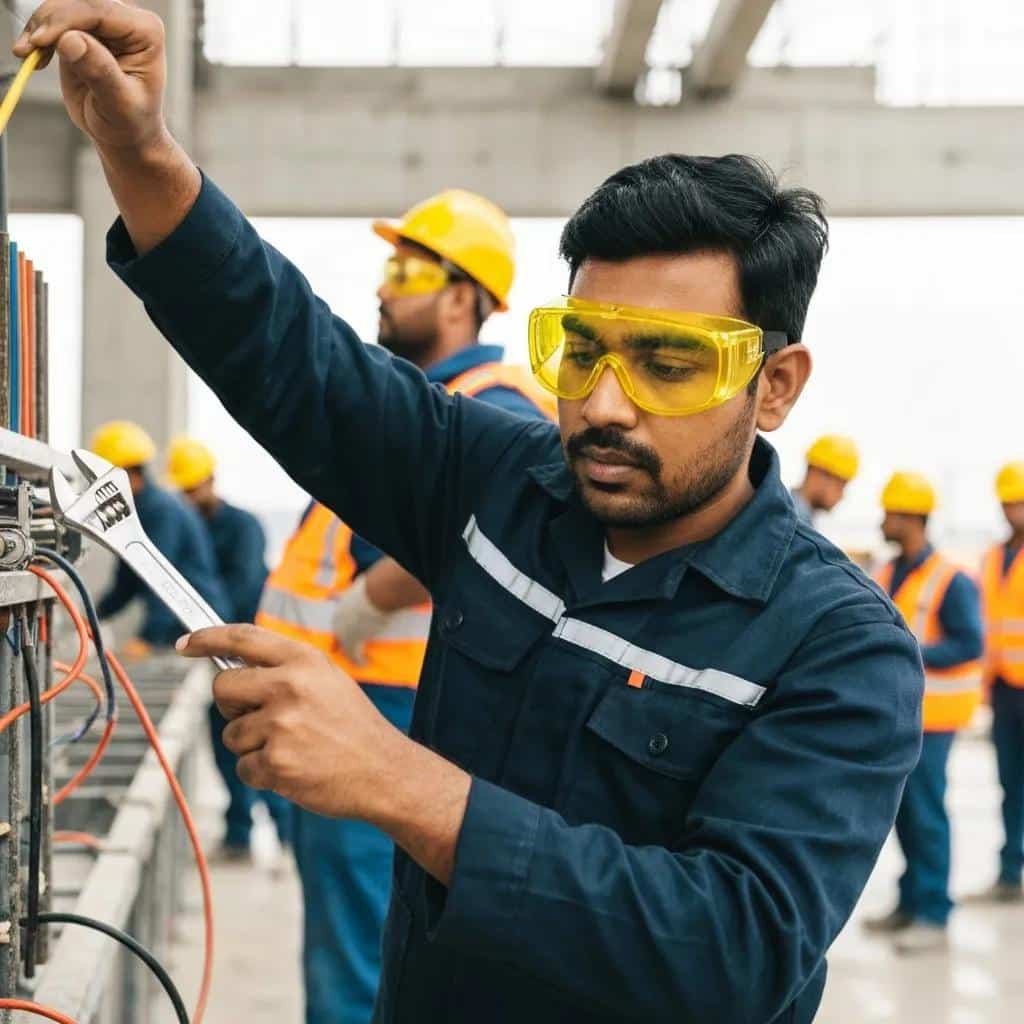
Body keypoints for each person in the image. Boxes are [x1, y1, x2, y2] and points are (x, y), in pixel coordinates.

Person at [22, 8, 924, 1020]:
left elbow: (735, 949)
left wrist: (398, 781)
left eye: (668, 363)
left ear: (775, 386)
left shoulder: (836, 647)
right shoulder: (500, 485)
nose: (605, 404)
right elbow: (295, 359)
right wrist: (140, 149)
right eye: (581, 350)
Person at [254, 194, 553, 1021]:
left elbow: (490, 516)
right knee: (351, 941)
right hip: (361, 697)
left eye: (406, 271)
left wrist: (364, 600)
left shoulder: (490, 405)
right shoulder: (428, 400)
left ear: (461, 297)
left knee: (357, 958)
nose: (384, 288)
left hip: (395, 706)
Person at [865, 472, 983, 952]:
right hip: (898, 716)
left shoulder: (951, 579)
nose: (883, 522)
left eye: (890, 514)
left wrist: (909, 649)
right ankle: (911, 901)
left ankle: (934, 913)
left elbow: (970, 643)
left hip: (934, 719)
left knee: (927, 814)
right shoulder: (886, 571)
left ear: (913, 519)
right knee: (904, 816)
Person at [166, 436, 292, 862]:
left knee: (263, 743)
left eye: (193, 488)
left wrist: (212, 628)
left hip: (249, 651)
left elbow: (241, 586)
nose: (189, 497)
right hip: (213, 652)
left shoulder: (243, 527)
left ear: (210, 481)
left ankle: (285, 834)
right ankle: (239, 834)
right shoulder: (190, 526)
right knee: (226, 745)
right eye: (184, 490)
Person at [90, 419, 231, 659]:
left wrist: (147, 638)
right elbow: (128, 580)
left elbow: (162, 577)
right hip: (181, 630)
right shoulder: (139, 512)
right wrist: (95, 616)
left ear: (126, 475)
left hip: (201, 629)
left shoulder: (161, 512)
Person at [972, 461, 1024, 902]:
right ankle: (1010, 874)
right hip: (1004, 690)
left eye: (1019, 503)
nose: (1014, 512)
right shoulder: (991, 558)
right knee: (1011, 785)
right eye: (1008, 504)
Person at [790, 434, 859, 525]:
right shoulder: (793, 521)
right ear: (817, 474)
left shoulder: (795, 516)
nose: (842, 495)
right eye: (841, 486)